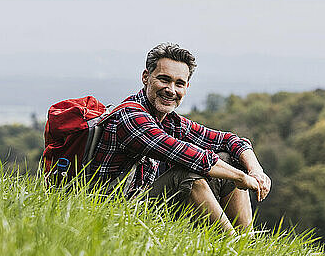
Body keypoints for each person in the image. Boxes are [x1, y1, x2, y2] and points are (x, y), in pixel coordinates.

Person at [88, 43, 271, 235]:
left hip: (145, 205)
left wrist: (255, 170)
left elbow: (230, 141)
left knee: (230, 159)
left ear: (187, 87)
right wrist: (242, 178)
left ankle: (246, 243)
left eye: (179, 83)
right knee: (186, 175)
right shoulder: (131, 116)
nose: (171, 90)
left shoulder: (171, 121)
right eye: (164, 80)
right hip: (114, 211)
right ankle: (233, 250)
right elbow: (192, 158)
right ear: (145, 77)